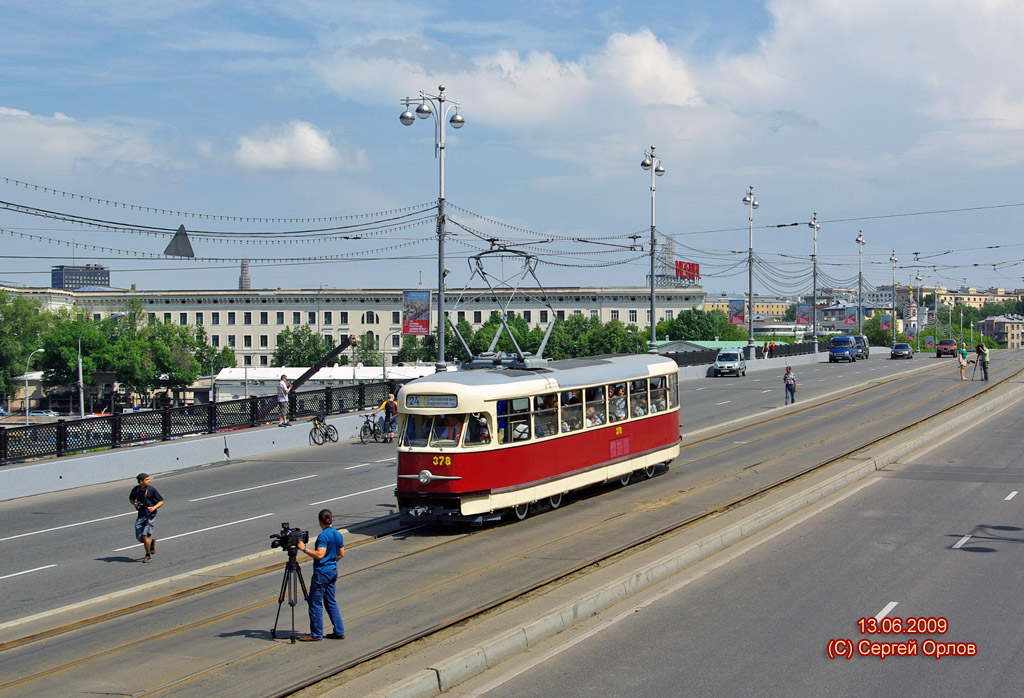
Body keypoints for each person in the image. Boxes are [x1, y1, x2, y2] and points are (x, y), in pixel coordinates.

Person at [296, 509, 346, 641]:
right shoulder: (337, 534)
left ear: (320, 521)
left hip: (322, 573)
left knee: (315, 603)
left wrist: (304, 548)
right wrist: (331, 563)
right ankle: (339, 631)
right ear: (332, 518)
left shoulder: (323, 536)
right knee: (330, 601)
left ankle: (316, 634)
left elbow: (320, 554)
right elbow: (341, 554)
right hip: (332, 571)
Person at [129, 473, 164, 563]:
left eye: (148, 479)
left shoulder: (151, 490)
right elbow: (131, 499)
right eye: (147, 479)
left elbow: (161, 501)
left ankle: (148, 555)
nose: (149, 481)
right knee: (140, 538)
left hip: (150, 515)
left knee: (145, 536)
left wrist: (154, 507)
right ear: (141, 482)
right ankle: (151, 542)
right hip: (141, 515)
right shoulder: (136, 490)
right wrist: (134, 504)